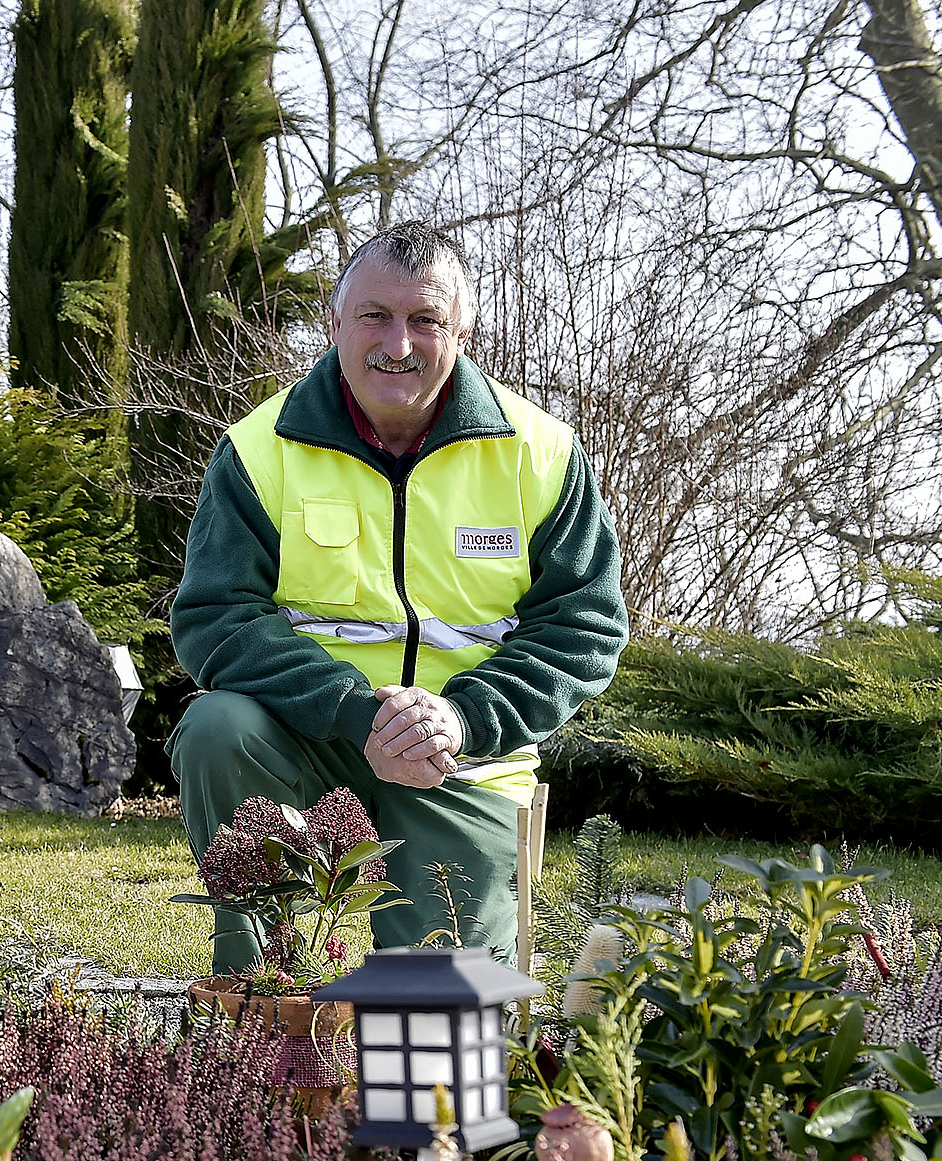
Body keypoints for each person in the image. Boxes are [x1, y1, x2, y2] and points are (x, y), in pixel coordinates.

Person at [169, 221, 627, 971]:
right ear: (336, 322)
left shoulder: (542, 453)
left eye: (426, 319)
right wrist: (359, 714)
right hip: (313, 744)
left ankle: (410, 1036)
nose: (398, 343)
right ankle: (259, 993)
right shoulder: (256, 449)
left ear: (464, 329)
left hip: (465, 764)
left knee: (439, 1018)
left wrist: (461, 717)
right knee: (219, 726)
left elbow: (586, 625)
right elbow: (217, 620)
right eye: (375, 316)